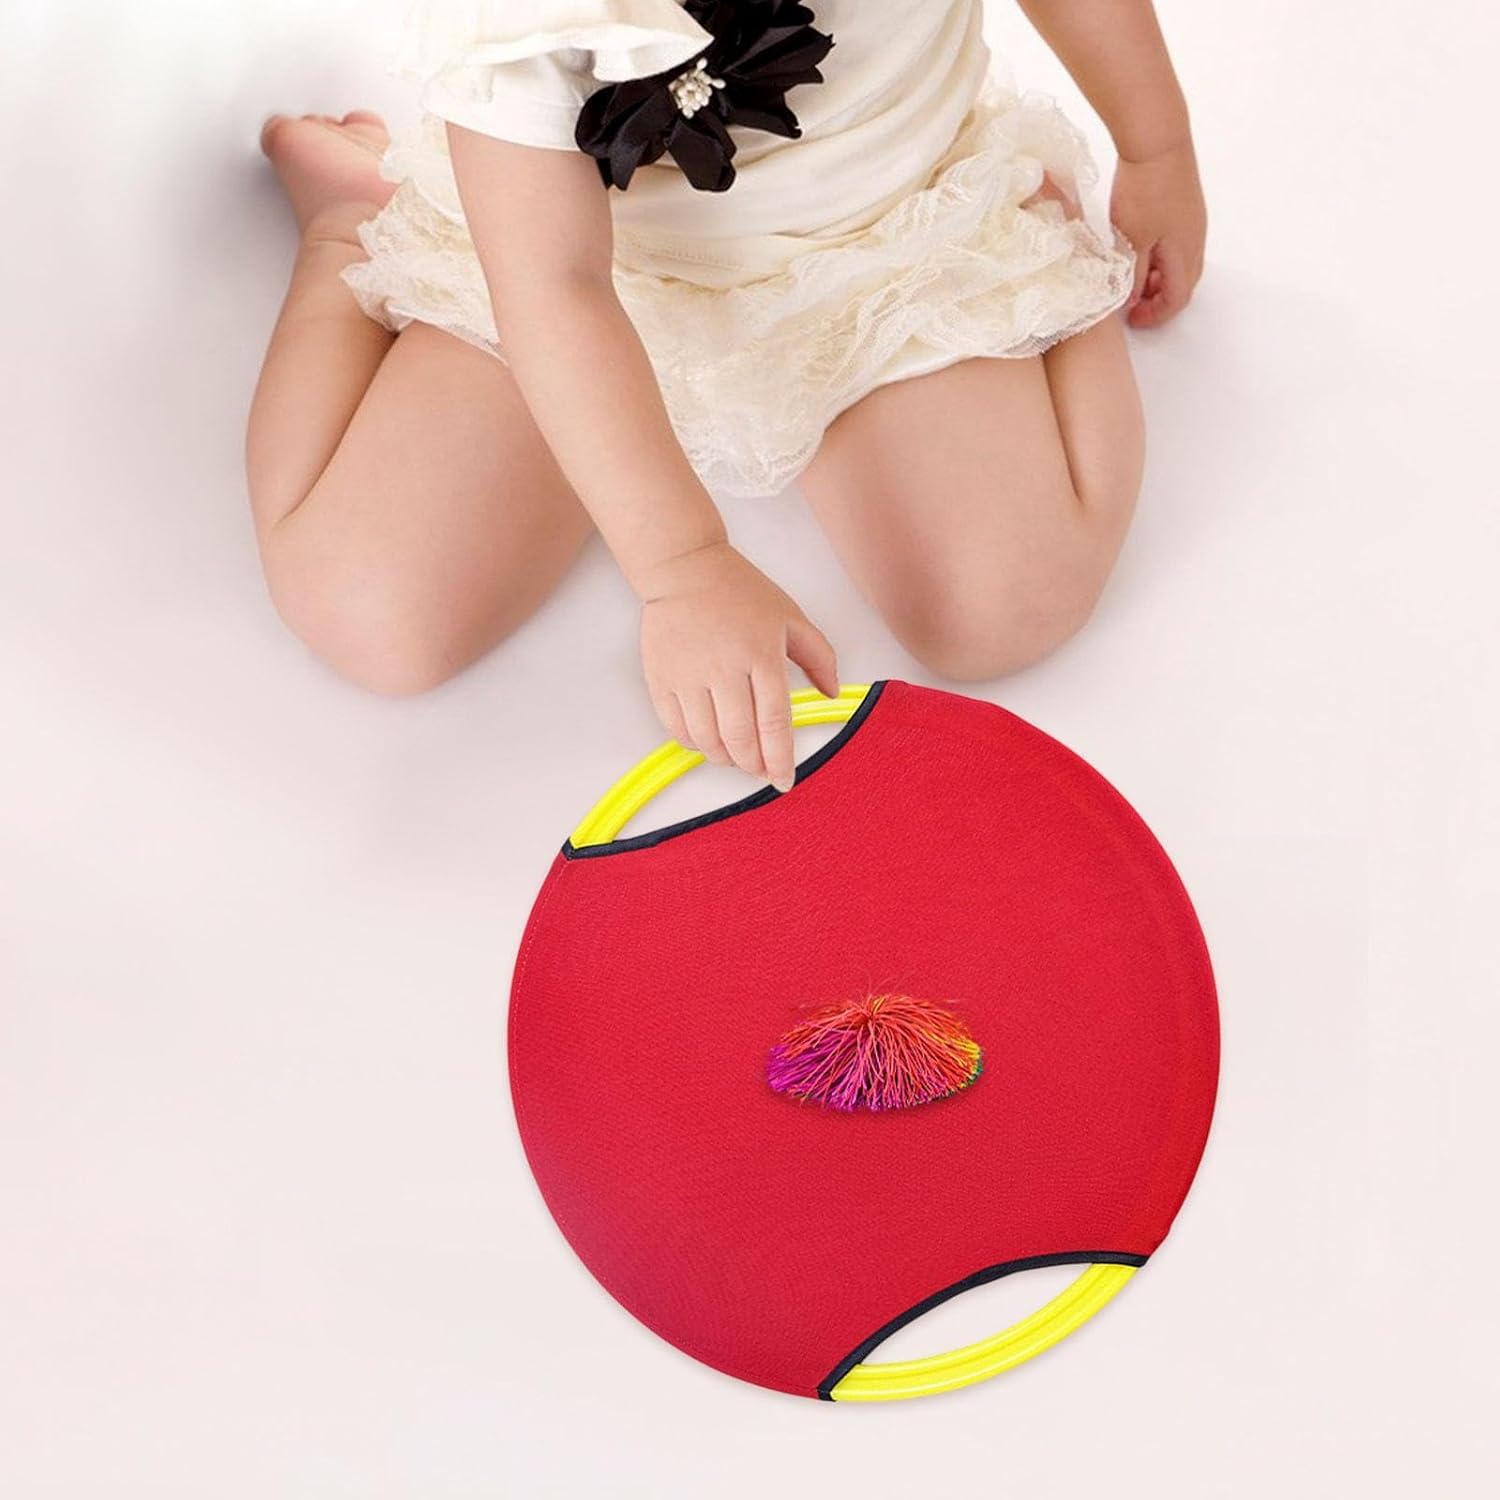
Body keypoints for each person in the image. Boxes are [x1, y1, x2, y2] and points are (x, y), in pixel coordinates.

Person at [246, 0, 1206, 791]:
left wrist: (1156, 148)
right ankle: (347, 225)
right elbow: (551, 285)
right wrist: (683, 565)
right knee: (372, 613)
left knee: (1004, 605)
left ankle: (1039, 231)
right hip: (578, 268)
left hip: (886, 232)